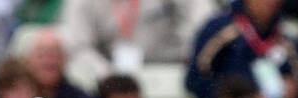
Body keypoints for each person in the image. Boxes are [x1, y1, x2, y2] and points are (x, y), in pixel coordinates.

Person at [186, 0, 298, 98]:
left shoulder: (286, 36)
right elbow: (195, 80)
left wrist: (293, 90)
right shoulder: (219, 30)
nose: (271, 2)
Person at [63, 0, 216, 79]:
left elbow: (205, 17)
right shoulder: (81, 3)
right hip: (110, 75)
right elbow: (79, 46)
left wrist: (194, 50)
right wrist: (105, 73)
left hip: (166, 66)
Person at [24, 29, 97, 98]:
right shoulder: (11, 97)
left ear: (65, 59)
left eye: (54, 55)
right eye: (41, 55)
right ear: (28, 60)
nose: (48, 62)